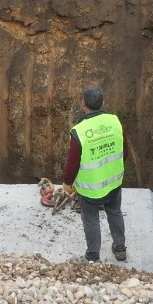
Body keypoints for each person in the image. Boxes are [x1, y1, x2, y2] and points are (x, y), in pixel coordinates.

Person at [62, 84, 129, 263]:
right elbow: (125, 152)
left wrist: (67, 183)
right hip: (113, 183)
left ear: (83, 104)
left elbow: (72, 163)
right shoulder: (115, 121)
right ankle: (120, 249)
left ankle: (93, 256)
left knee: (91, 220)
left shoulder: (79, 131)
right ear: (103, 103)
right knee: (115, 213)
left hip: (90, 190)